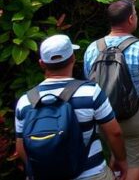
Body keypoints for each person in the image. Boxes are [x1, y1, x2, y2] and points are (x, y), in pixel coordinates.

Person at [15, 34, 128, 180]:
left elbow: (20, 147)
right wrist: (121, 160)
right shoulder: (91, 92)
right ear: (73, 59)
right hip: (91, 174)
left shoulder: (25, 101)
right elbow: (114, 133)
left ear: (42, 64)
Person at [84, 0, 139, 180]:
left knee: (118, 158)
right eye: (135, 14)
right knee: (135, 163)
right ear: (130, 19)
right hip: (136, 117)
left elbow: (90, 86)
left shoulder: (92, 49)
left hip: (105, 119)